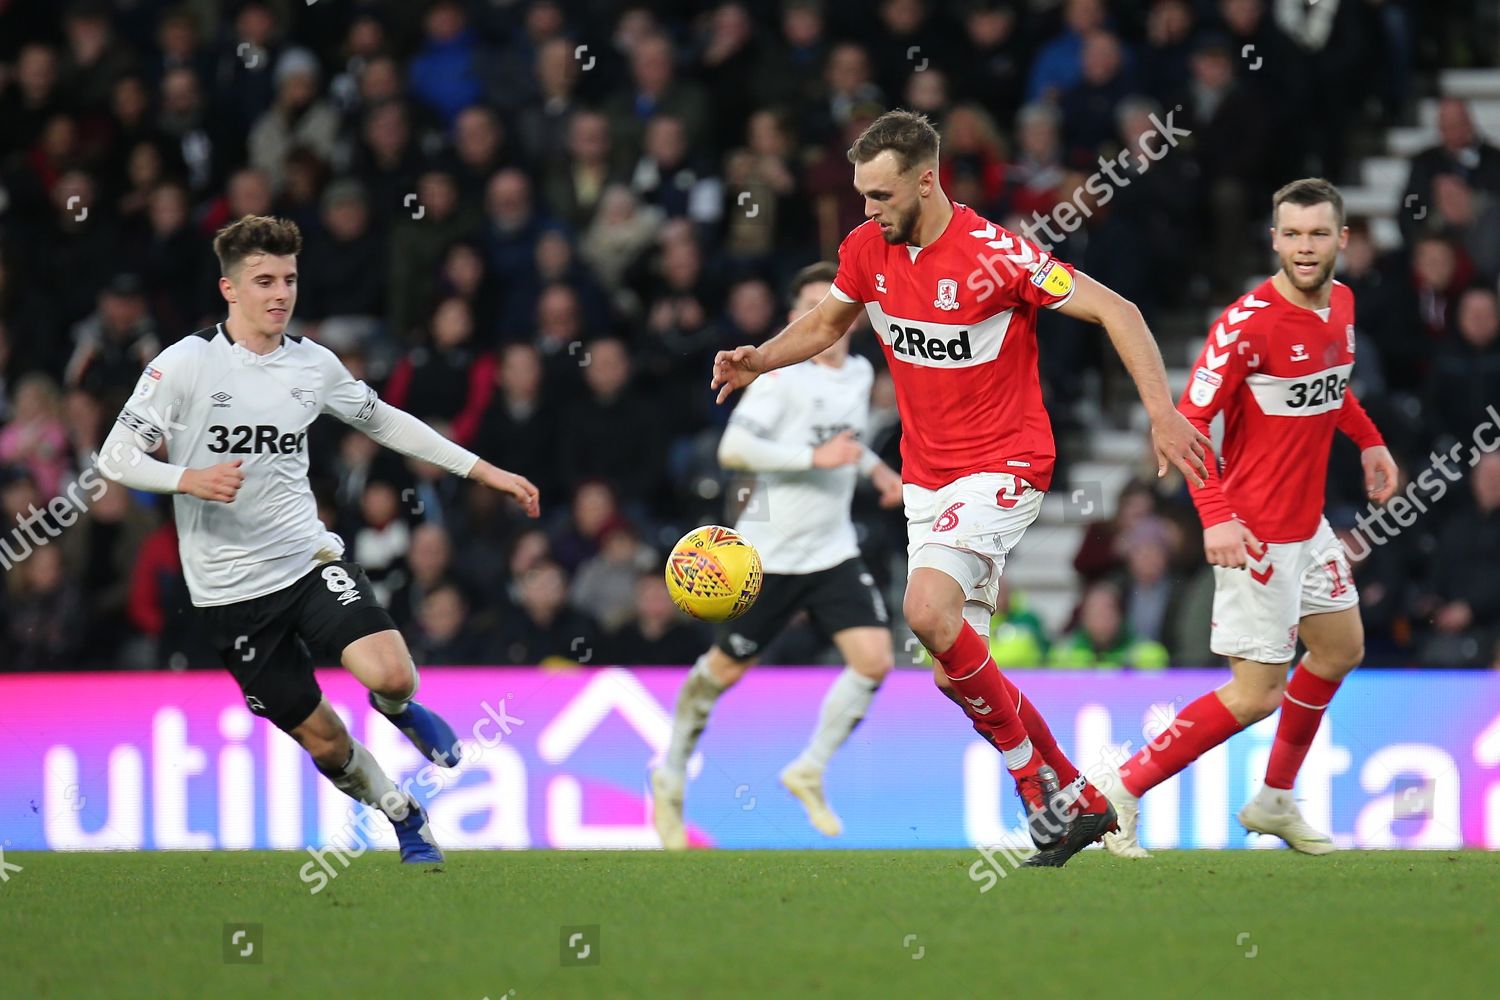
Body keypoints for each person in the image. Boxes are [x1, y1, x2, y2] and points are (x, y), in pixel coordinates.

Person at [711, 110, 1210, 866]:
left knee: (924, 610)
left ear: (926, 180)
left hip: (1004, 464)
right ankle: (1081, 798)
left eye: (880, 195)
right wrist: (761, 360)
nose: (868, 211)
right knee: (953, 671)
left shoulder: (995, 255)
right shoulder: (865, 248)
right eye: (861, 196)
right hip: (927, 478)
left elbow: (1119, 309)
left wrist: (1162, 414)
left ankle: (1035, 791)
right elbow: (825, 323)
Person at [95, 215, 541, 865]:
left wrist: (486, 471)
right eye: (264, 280)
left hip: (305, 560)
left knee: (392, 672)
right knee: (327, 743)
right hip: (228, 596)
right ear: (229, 289)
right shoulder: (185, 364)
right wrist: (186, 477)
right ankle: (402, 811)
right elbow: (115, 456)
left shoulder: (312, 365)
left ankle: (399, 709)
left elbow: (387, 422)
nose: (281, 293)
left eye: (290, 279)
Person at [1099, 178, 1399, 858]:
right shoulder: (1246, 324)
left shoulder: (1342, 304)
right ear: (1273, 239)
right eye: (1291, 234)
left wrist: (1371, 440)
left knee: (1341, 648)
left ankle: (1273, 800)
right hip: (1255, 531)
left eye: (1318, 233)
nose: (1304, 246)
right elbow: (1187, 423)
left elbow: (1333, 382)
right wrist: (1215, 516)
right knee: (1256, 693)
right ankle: (1123, 786)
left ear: (1342, 240)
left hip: (1308, 527)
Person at [653, 262, 905, 848]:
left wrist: (877, 471)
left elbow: (845, 441)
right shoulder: (781, 377)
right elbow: (734, 447)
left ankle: (808, 769)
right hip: (766, 558)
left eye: (836, 305)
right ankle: (669, 777)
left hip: (832, 550)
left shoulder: (860, 372)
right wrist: (812, 460)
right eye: (814, 306)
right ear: (796, 320)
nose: (829, 317)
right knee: (720, 676)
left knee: (873, 661)